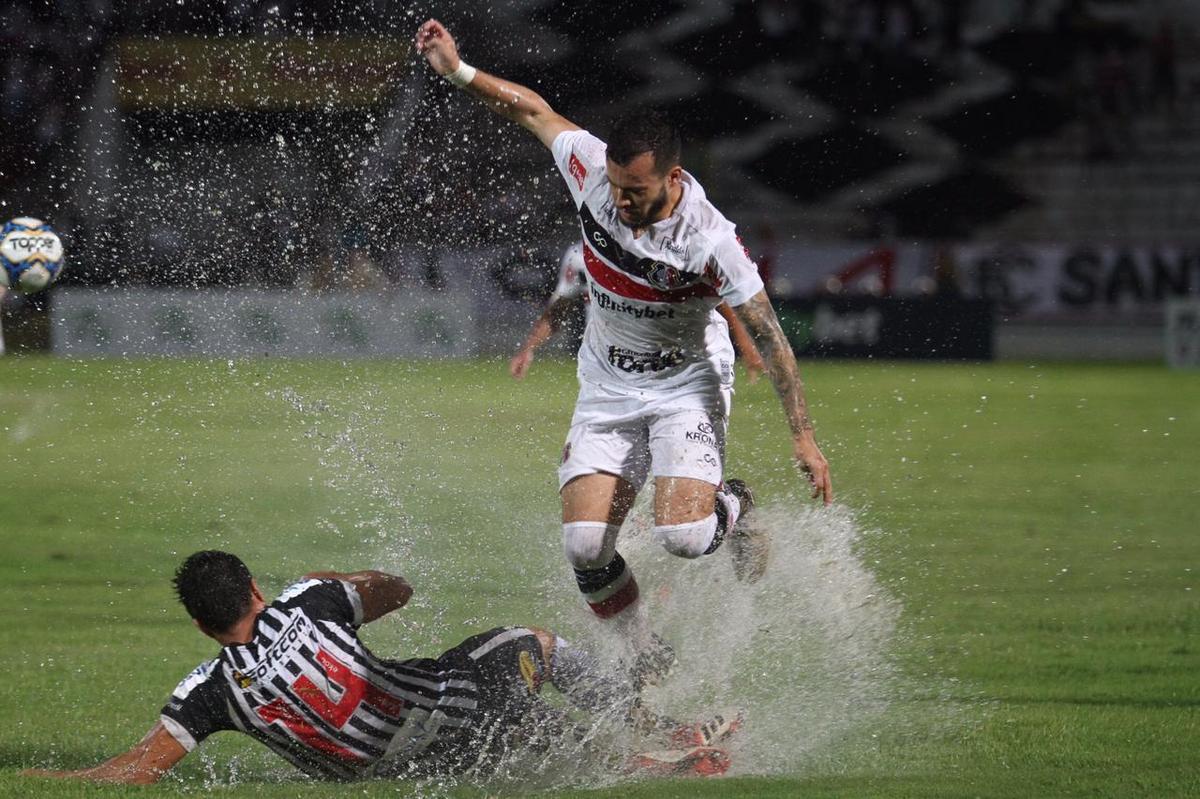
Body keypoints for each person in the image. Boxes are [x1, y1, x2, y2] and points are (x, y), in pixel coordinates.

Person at [416, 20, 832, 663]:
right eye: (615, 188)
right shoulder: (592, 170)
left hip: (684, 384)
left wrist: (802, 436)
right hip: (608, 382)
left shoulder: (710, 241)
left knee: (685, 538)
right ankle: (644, 651)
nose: (620, 202)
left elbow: (772, 339)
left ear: (672, 179)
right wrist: (458, 71)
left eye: (635, 193)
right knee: (584, 546)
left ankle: (736, 504)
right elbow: (534, 109)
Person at [21, 551, 737, 785]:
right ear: (255, 591)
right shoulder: (308, 602)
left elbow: (139, 767)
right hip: (447, 707)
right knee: (534, 643)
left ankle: (651, 759)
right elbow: (396, 590)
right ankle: (661, 726)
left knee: (532, 741)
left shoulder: (212, 691)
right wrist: (341, 577)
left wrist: (49, 780)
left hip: (403, 769)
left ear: (203, 624)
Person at [510, 241, 766, 383]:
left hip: (670, 361)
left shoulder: (665, 249)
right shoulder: (580, 256)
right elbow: (559, 310)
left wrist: (747, 345)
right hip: (607, 365)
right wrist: (528, 348)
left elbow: (715, 297)